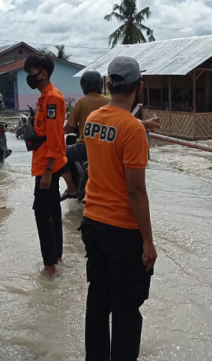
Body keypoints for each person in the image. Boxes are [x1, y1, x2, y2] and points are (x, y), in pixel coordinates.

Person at [80, 56, 157, 360]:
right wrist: (148, 242)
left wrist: (140, 124)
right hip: (123, 232)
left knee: (98, 303)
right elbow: (136, 191)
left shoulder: (94, 119)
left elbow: (115, 127)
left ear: (110, 85)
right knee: (126, 310)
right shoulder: (133, 132)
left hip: (92, 224)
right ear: (140, 86)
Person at [61, 71, 162, 199]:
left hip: (85, 146)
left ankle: (71, 188)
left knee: (60, 154)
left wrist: (59, 130)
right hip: (106, 144)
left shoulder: (81, 102)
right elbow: (124, 120)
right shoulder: (108, 101)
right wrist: (145, 123)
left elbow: (70, 126)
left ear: (83, 86)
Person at [24, 54, 69, 278]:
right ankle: (57, 257)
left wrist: (49, 171)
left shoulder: (52, 98)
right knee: (52, 209)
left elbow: (54, 135)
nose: (28, 78)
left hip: (47, 165)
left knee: (42, 212)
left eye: (31, 73)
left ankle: (49, 267)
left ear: (42, 74)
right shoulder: (44, 97)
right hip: (46, 162)